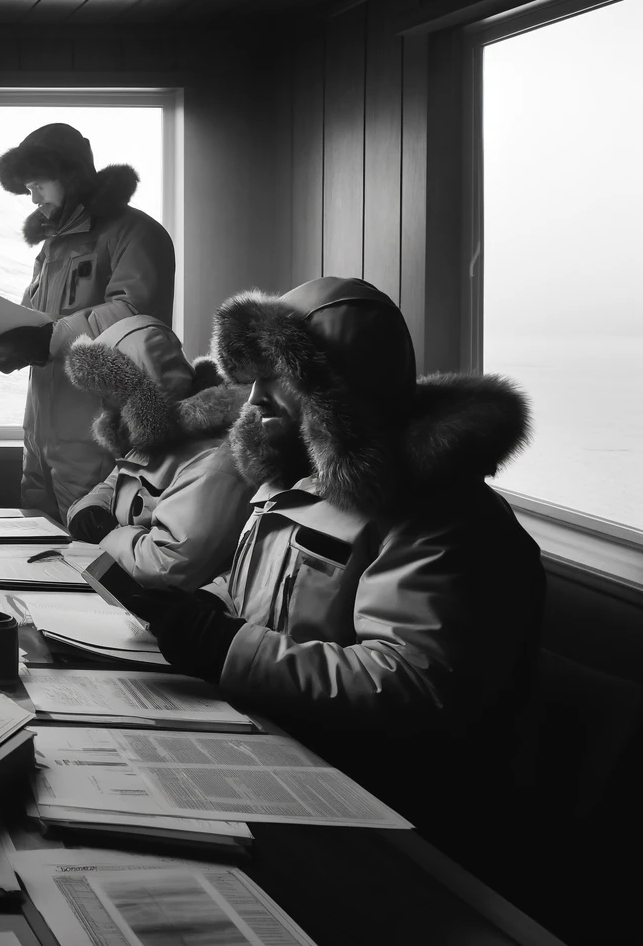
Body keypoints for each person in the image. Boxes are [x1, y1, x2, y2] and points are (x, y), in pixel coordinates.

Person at [124, 276, 543, 843]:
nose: (253, 400)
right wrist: (201, 606)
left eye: (273, 378)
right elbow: (260, 597)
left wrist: (227, 646)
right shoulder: (295, 472)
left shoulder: (444, 513)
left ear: (335, 389)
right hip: (281, 747)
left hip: (385, 800)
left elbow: (416, 684)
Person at [0, 123, 176, 521]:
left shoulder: (136, 232)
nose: (31, 197)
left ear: (69, 176)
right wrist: (10, 342)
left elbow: (135, 314)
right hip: (39, 428)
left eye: (37, 184)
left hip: (95, 428)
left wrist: (48, 339)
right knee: (34, 542)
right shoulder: (52, 244)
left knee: (86, 542)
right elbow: (37, 318)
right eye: (27, 188)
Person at [60, 315, 253, 589]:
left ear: (144, 394)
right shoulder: (153, 438)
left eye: (111, 390)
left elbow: (167, 564)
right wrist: (88, 511)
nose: (103, 401)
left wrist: (106, 533)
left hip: (169, 616)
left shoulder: (215, 463)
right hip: (128, 591)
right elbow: (112, 484)